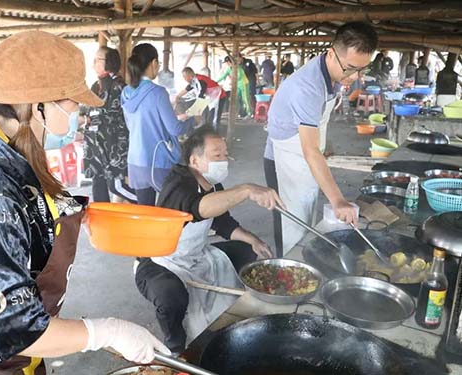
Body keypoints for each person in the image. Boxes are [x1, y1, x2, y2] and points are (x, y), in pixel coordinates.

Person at [0, 31, 169, 375]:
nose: (79, 110)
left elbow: (32, 210)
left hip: (22, 349)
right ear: (39, 105)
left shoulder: (4, 152)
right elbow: (16, 329)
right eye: (73, 100)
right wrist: (107, 332)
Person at [135, 126, 283, 353]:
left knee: (248, 252)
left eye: (225, 154)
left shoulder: (212, 185)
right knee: (170, 295)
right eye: (217, 155)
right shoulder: (177, 183)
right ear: (195, 160)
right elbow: (198, 208)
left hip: (196, 255)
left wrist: (253, 239)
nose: (224, 160)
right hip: (160, 261)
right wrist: (245, 190)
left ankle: (240, 311)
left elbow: (221, 221)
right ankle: (174, 345)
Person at [265, 22, 375, 254]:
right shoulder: (308, 87)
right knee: (292, 227)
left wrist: (326, 142)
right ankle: (285, 273)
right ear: (331, 54)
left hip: (304, 153)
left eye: (361, 70)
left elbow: (315, 122)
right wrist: (337, 200)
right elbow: (309, 151)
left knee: (307, 216)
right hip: (285, 159)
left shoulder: (333, 75)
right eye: (350, 68)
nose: (355, 77)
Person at [121, 43, 194, 205]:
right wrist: (192, 121)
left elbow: (132, 125)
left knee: (146, 212)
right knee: (174, 205)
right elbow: (174, 128)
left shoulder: (125, 92)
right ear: (154, 63)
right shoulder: (158, 92)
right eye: (158, 64)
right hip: (157, 161)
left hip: (135, 162)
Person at [83, 46, 136, 203]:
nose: (93, 63)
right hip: (95, 145)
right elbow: (88, 110)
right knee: (97, 184)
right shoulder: (95, 86)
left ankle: (150, 207)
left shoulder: (120, 87)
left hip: (114, 146)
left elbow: (120, 117)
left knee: (117, 186)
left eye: (97, 60)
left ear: (109, 63)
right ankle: (102, 224)